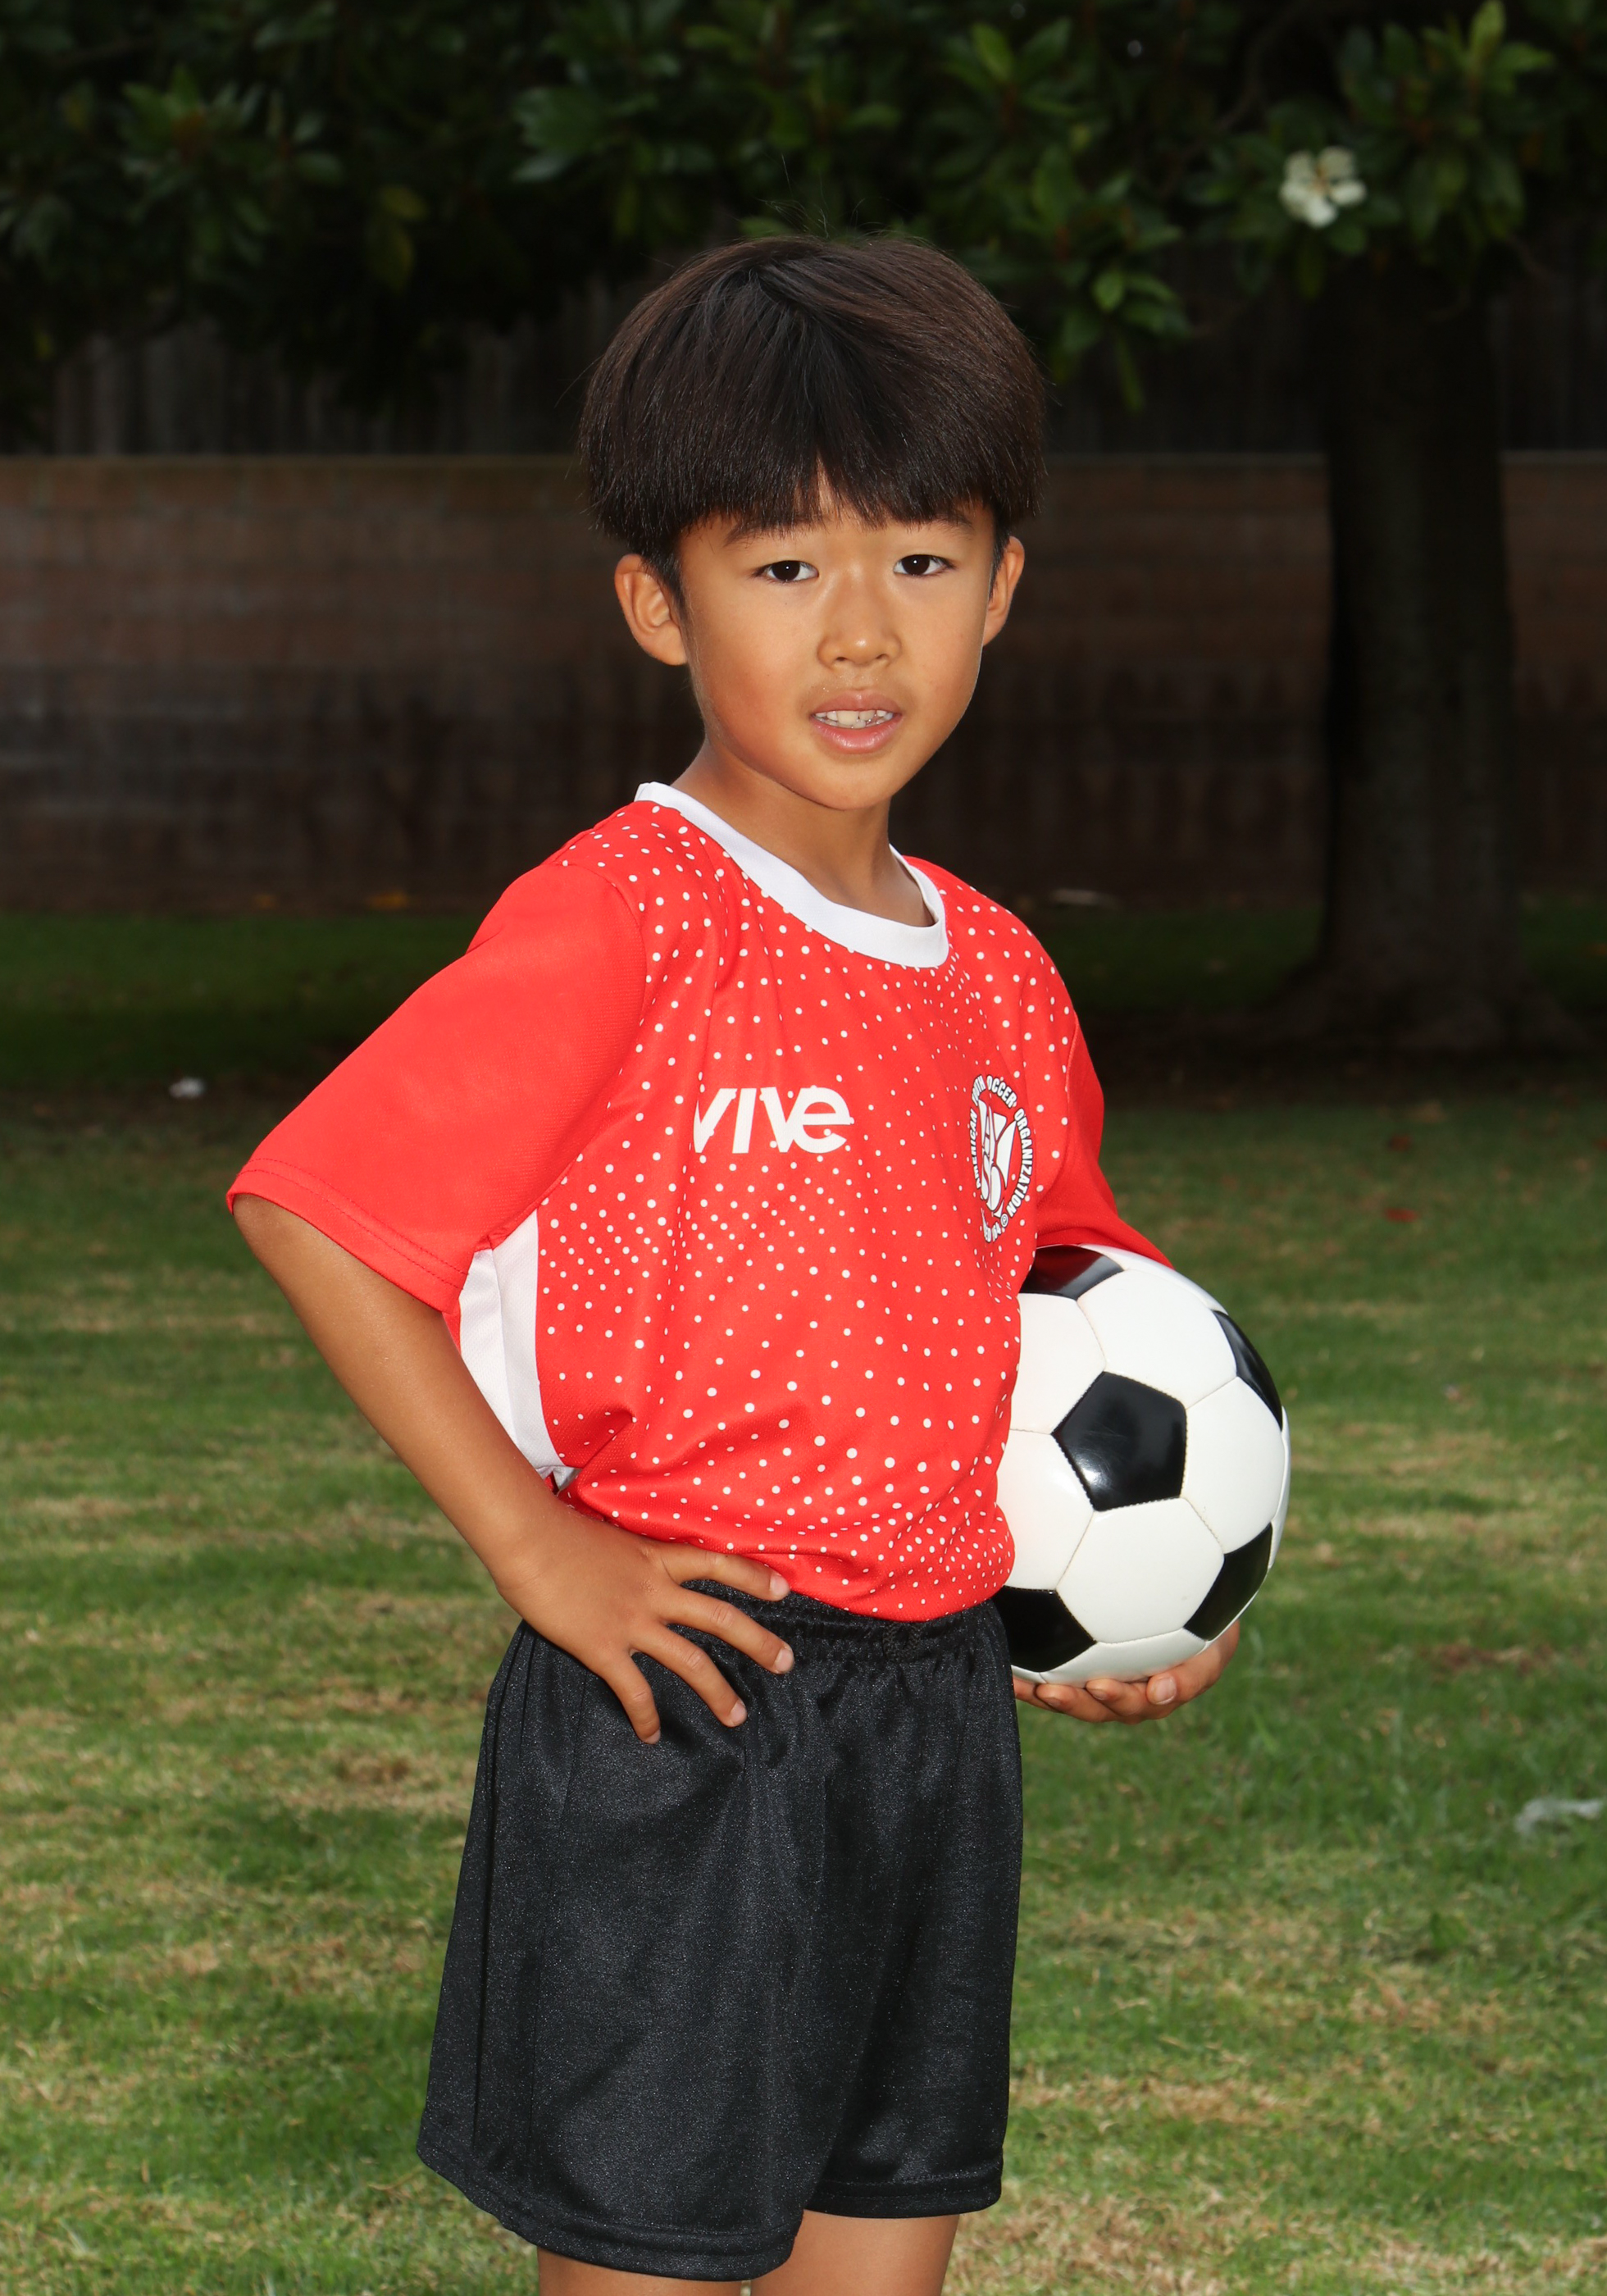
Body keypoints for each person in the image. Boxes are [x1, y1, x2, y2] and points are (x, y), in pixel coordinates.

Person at [229, 236, 1237, 2296]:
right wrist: (539, 1547)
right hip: (688, 1692)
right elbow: (316, 1206)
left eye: (921, 560)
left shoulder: (1000, 972)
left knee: (880, 2246)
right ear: (656, 602)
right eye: (783, 567)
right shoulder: (627, 916)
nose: (859, 630)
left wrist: (1129, 1598)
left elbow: (1071, 1291)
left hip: (938, 1718)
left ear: (1004, 585)